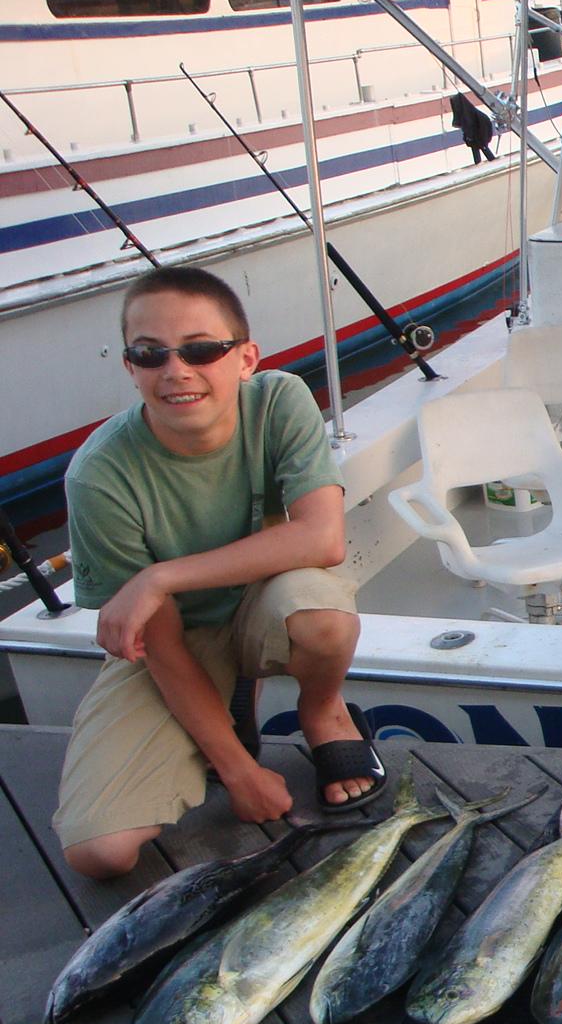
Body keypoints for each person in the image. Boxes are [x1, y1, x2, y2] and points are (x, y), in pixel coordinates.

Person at [55, 266, 382, 881]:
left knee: (319, 613)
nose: (176, 371)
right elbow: (163, 640)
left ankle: (323, 712)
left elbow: (323, 537)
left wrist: (159, 578)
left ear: (245, 357)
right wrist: (239, 771)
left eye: (202, 349)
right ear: (130, 366)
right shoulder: (98, 476)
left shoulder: (280, 400)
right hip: (181, 641)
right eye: (150, 354)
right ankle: (231, 718)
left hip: (267, 604)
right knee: (101, 855)